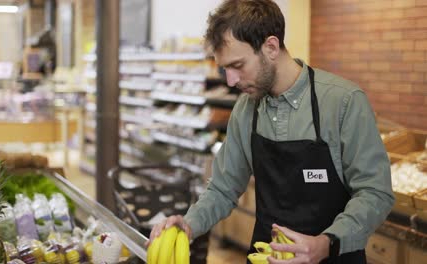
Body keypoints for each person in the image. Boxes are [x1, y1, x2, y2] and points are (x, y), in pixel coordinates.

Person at [149, 0, 394, 263]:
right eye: (224, 69)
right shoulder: (245, 110)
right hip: (265, 256)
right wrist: (189, 223)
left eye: (238, 65)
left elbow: (374, 192)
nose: (230, 81)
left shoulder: (343, 102)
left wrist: (326, 243)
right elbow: (223, 188)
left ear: (271, 47)